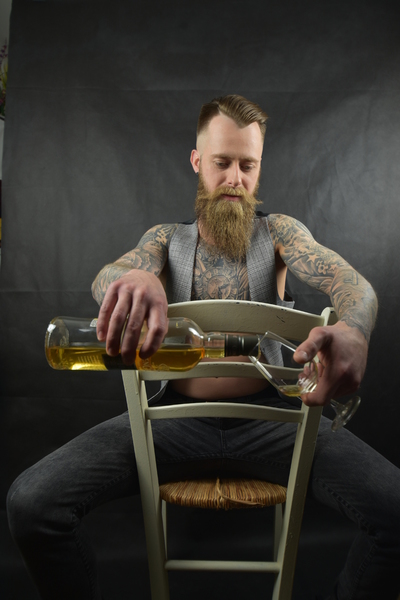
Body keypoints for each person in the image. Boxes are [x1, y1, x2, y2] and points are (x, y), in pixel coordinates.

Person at [7, 95, 399, 600]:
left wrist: (354, 330)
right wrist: (137, 279)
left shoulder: (281, 233)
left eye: (247, 165)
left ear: (259, 168)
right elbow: (109, 275)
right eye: (222, 162)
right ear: (197, 161)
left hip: (277, 425)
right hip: (170, 426)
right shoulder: (164, 240)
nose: (235, 179)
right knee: (32, 503)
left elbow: (351, 283)